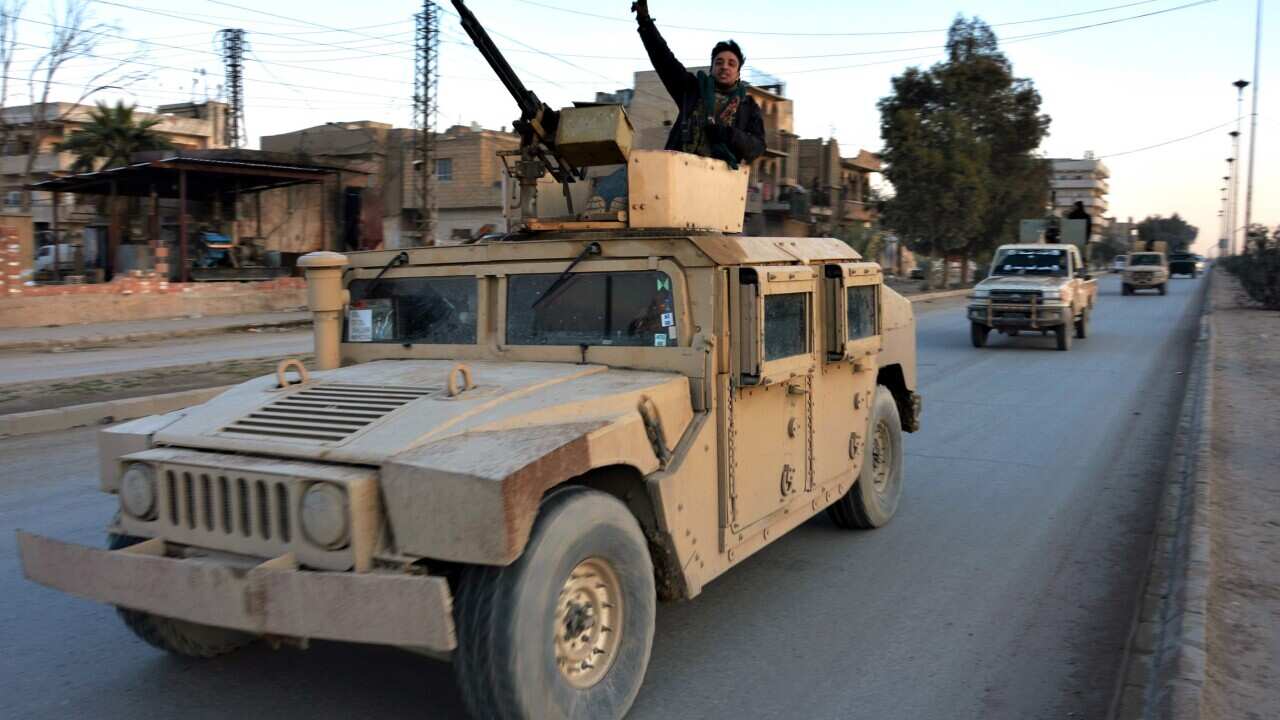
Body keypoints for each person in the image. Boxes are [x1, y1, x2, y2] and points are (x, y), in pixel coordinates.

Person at [632, 0, 765, 168]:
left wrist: (729, 135)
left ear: (738, 73)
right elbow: (663, 59)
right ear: (711, 68)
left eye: (731, 64)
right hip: (679, 171)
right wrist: (645, 22)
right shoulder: (692, 89)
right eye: (719, 62)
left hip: (720, 179)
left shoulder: (748, 106)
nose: (724, 67)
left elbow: (758, 146)